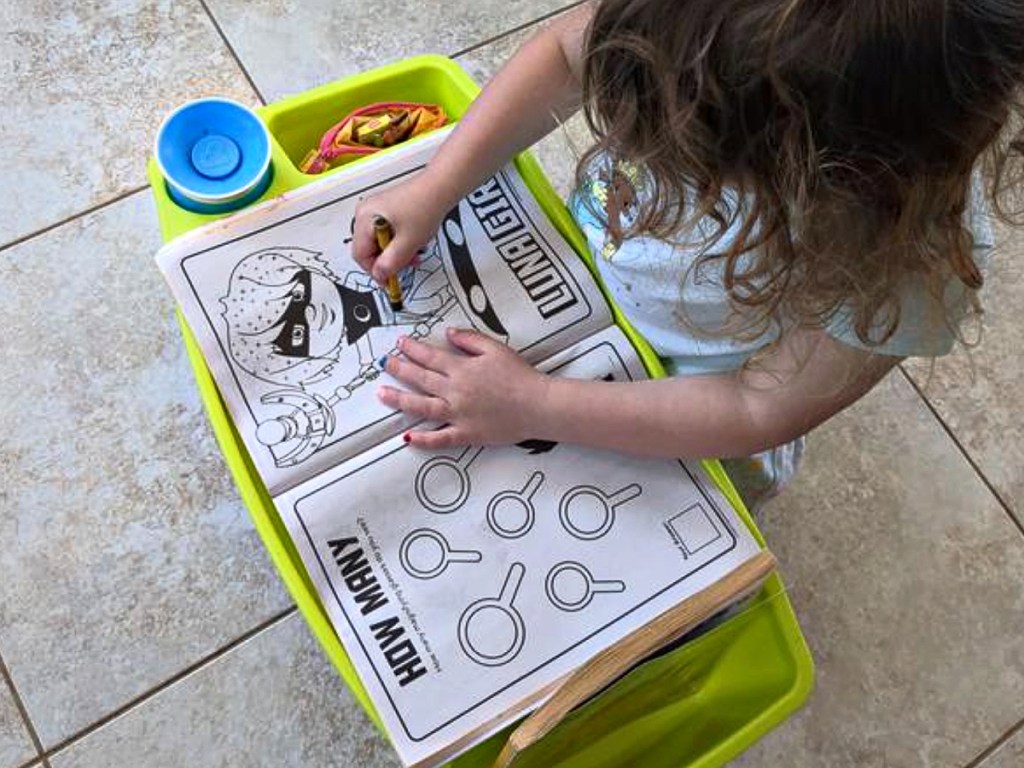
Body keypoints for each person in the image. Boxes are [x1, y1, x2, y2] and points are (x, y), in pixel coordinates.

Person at [351, 0, 1022, 509]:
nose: (646, 142)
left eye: (684, 145)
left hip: (691, 405)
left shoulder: (912, 259)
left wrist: (535, 405)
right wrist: (435, 186)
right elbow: (565, 52)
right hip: (582, 298)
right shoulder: (696, 20)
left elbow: (756, 411)